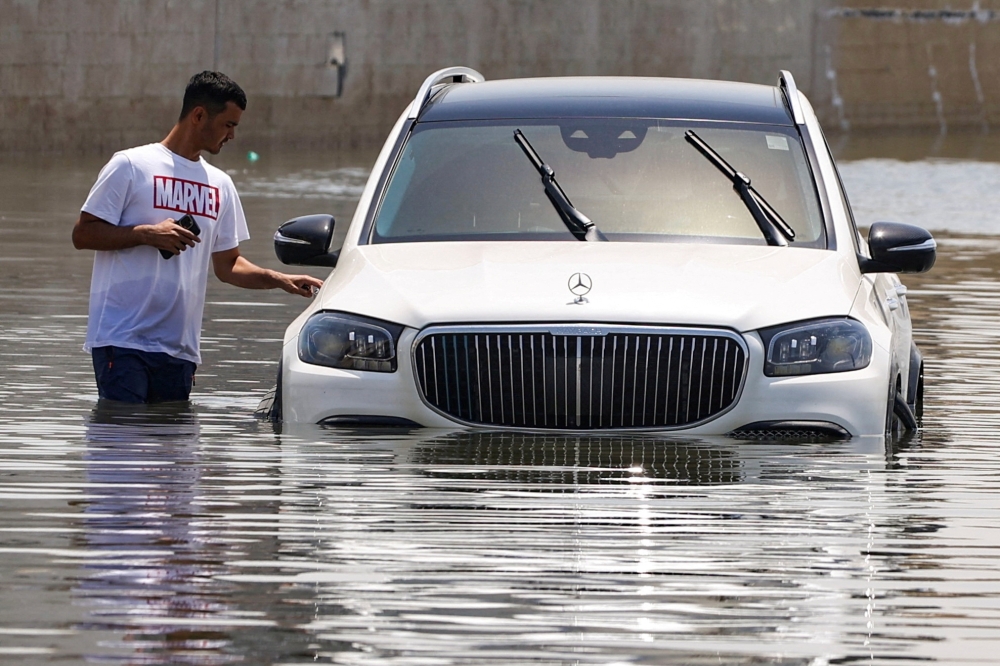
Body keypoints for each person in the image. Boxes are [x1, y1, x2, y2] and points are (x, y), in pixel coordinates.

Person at [72, 71, 323, 404]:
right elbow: (83, 233)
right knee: (125, 444)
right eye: (229, 124)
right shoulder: (131, 166)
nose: (232, 135)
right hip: (122, 339)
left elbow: (228, 265)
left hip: (179, 348)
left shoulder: (220, 184)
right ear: (199, 115)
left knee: (174, 448)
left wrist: (280, 280)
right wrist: (145, 234)